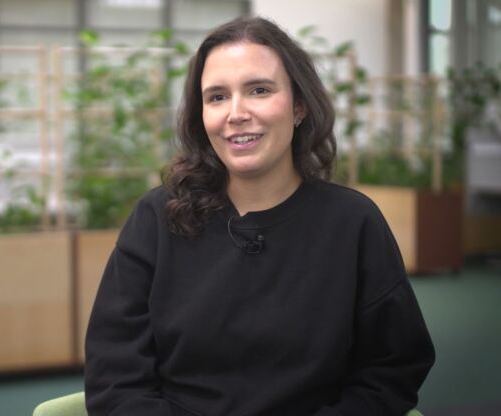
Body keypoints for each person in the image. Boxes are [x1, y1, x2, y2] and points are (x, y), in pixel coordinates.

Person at [84, 16, 435, 416]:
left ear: (299, 106)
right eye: (216, 97)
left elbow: (392, 371)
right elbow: (115, 380)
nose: (236, 113)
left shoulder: (353, 223)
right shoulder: (156, 219)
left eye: (259, 90)